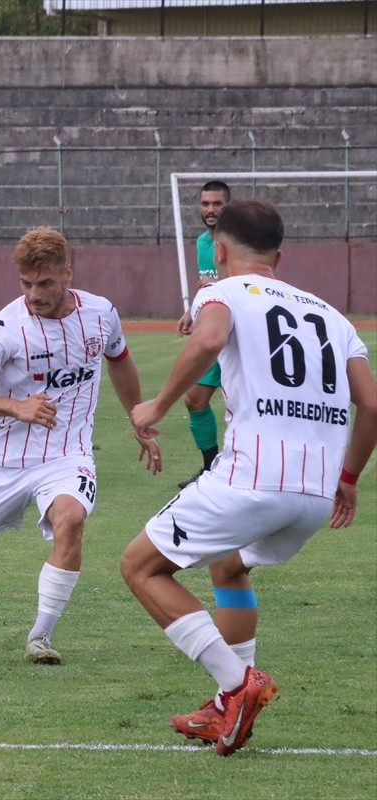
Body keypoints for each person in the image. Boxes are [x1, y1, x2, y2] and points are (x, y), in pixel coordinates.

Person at [120, 198, 376, 756]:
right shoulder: (334, 317)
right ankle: (224, 707)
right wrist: (350, 477)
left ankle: (238, 685)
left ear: (219, 251)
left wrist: (156, 406)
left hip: (252, 479)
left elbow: (209, 339)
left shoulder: (223, 291)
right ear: (279, 257)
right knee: (228, 562)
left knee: (139, 567)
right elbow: (373, 405)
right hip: (314, 495)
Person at [0, 227, 160, 664]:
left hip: (69, 454)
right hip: (5, 461)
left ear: (67, 273)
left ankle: (40, 637)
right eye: (26, 284)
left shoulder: (101, 313)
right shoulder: (6, 326)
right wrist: (17, 407)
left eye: (44, 283)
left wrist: (136, 417)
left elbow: (119, 360)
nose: (34, 294)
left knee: (71, 520)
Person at [176, 180, 231, 489]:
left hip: (237, 334)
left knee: (247, 404)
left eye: (217, 204)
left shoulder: (237, 241)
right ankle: (211, 469)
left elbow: (249, 280)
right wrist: (191, 311)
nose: (210, 209)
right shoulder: (202, 243)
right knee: (195, 400)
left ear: (228, 206)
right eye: (206, 204)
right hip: (211, 332)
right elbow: (207, 287)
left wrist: (216, 285)